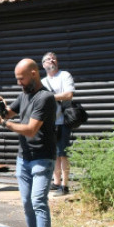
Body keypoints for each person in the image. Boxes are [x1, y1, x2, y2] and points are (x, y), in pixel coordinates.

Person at [0, 59, 57, 227]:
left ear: (34, 73)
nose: (19, 83)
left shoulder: (45, 98)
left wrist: (4, 123)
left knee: (38, 202)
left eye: (21, 78)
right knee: (27, 204)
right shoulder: (24, 94)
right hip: (23, 158)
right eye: (17, 79)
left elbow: (30, 129)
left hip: (42, 157)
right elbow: (8, 113)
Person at [41, 52, 75, 194]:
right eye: (48, 59)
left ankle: (65, 185)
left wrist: (50, 97)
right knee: (53, 154)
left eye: (54, 58)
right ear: (44, 65)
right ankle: (56, 182)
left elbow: (68, 94)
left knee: (63, 153)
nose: (52, 60)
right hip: (49, 122)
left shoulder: (64, 75)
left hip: (63, 121)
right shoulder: (42, 82)